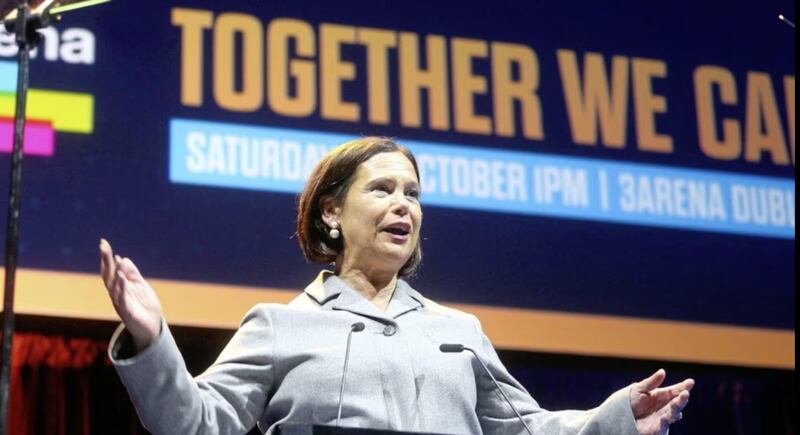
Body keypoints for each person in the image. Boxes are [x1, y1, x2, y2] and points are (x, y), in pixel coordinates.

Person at [100, 137, 694, 435]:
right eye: (382, 190)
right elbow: (195, 423)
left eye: (411, 193)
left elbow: (526, 429)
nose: (402, 205)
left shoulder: (458, 332)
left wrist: (616, 418)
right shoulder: (280, 325)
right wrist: (153, 340)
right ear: (332, 212)